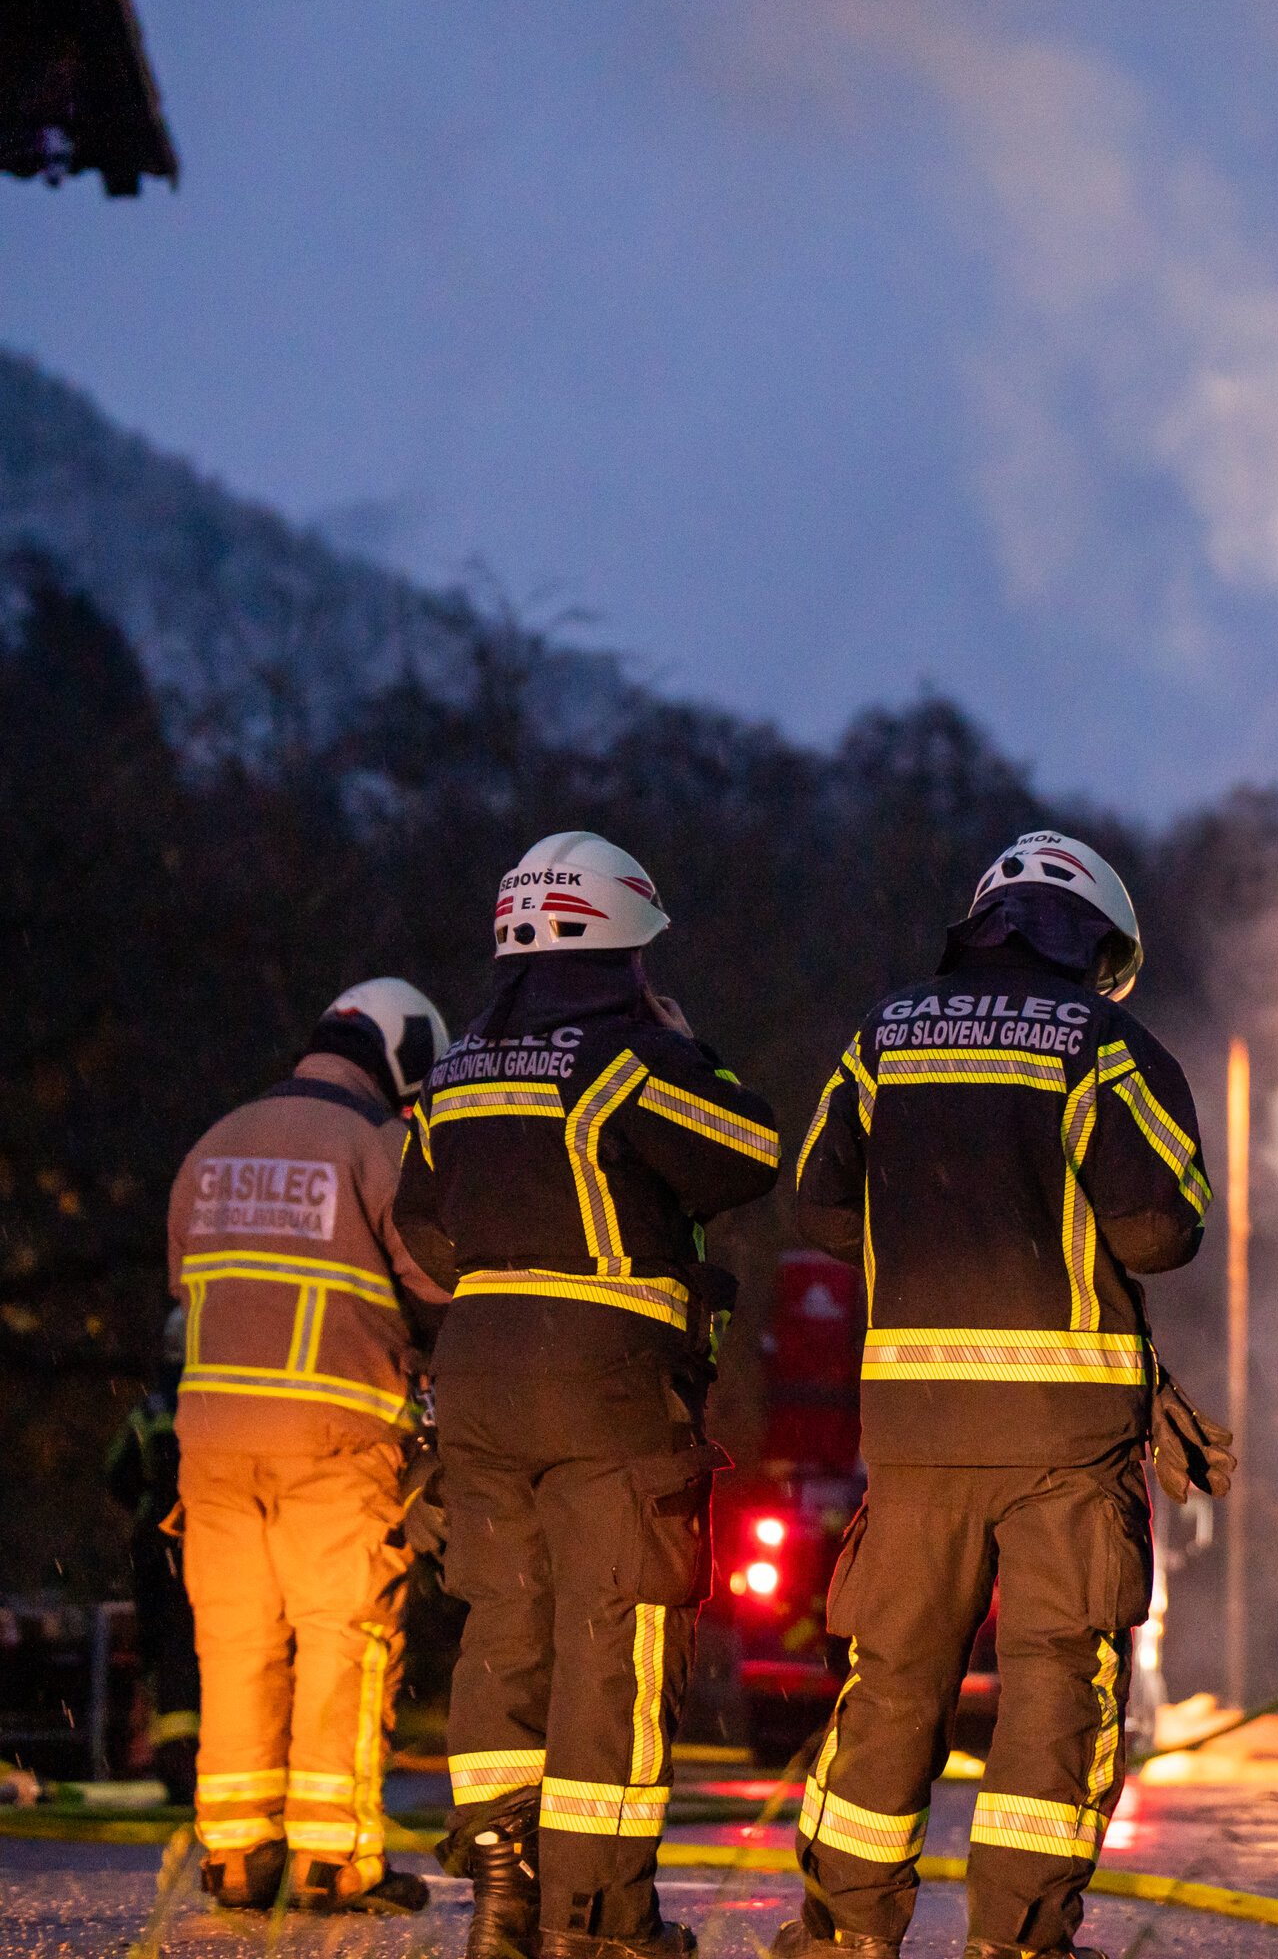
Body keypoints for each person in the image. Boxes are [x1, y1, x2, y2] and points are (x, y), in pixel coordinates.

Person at [779, 829, 1231, 1959]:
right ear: (1093, 941)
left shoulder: (884, 1035)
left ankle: (841, 1935)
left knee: (891, 1683)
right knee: (1054, 1688)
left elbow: (822, 1204)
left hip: (916, 1430)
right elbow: (1163, 1228)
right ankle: (1017, 1943)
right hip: (1061, 1439)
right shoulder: (1101, 1044)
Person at [397, 832, 779, 1959]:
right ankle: (596, 1919)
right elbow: (748, 1148)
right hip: (605, 1386)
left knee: (505, 1626)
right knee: (615, 1640)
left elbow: (424, 1223)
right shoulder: (627, 1057)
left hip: (473, 1379)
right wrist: (681, 1044)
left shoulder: (455, 1067)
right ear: (619, 941)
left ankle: (501, 1895)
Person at [168, 977, 453, 1913]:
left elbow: (186, 1285)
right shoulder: (378, 1149)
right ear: (402, 1057)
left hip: (210, 1440)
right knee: (345, 1636)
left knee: (237, 1637)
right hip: (335, 1437)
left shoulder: (213, 1144)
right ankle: (336, 1861)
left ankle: (236, 1854)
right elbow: (434, 1286)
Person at [101, 1307, 198, 1809]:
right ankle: (207, 1759)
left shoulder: (149, 1408)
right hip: (210, 1536)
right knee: (210, 1646)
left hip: (153, 1545)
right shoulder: (216, 1395)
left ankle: (175, 1760)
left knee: (165, 1651)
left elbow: (117, 1475)